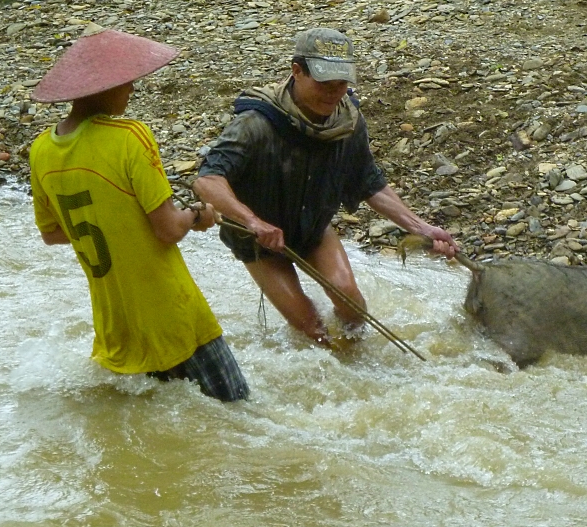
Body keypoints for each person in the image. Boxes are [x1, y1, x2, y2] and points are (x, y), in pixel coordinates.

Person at [193, 27, 458, 348]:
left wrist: (422, 228)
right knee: (312, 329)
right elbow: (207, 180)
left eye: (341, 84)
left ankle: (357, 361)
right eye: (324, 83)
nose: (333, 93)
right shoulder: (255, 124)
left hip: (313, 226)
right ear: (297, 71)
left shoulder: (348, 121)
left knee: (353, 305)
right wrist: (252, 221)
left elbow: (369, 183)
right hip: (260, 241)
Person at [29, 27, 249, 402]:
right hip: (172, 315)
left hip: (118, 329)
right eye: (127, 82)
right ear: (101, 86)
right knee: (239, 415)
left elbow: (53, 234)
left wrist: (120, 221)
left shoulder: (40, 152)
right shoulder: (130, 137)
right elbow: (167, 229)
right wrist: (198, 215)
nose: (132, 89)